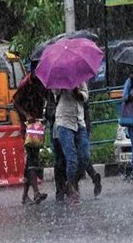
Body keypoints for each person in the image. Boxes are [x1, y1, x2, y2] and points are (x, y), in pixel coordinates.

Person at [13, 61, 48, 205]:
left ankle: (24, 196)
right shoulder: (25, 83)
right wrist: (26, 115)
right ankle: (36, 193)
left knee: (32, 159)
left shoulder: (42, 83)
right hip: (28, 125)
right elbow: (15, 102)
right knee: (32, 157)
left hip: (38, 124)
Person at [54, 82, 90, 205]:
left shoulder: (81, 80)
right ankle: (72, 188)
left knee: (84, 157)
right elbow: (55, 92)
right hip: (64, 121)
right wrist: (65, 85)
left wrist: (77, 92)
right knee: (71, 158)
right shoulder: (59, 79)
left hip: (79, 121)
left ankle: (71, 182)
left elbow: (85, 97)